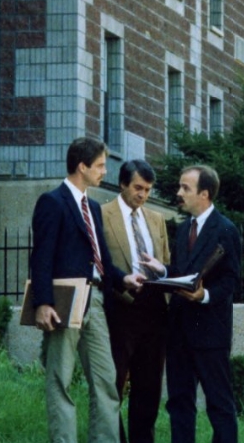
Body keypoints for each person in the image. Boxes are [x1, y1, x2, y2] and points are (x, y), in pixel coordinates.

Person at [30, 137, 145, 443]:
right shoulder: (52, 202)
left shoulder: (92, 207)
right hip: (64, 301)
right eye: (99, 166)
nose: (104, 172)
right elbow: (41, 257)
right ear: (82, 167)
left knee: (107, 381)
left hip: (95, 301)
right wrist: (42, 303)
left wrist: (124, 280)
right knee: (61, 379)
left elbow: (102, 260)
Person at [144, 164, 241, 443]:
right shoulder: (184, 227)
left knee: (219, 405)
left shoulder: (226, 229)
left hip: (210, 333)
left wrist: (204, 296)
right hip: (179, 332)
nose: (179, 193)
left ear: (205, 194)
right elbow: (181, 272)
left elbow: (231, 280)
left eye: (185, 188)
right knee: (179, 403)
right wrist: (162, 271)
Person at [100, 159, 170, 443]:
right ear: (122, 184)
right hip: (120, 308)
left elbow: (166, 262)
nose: (143, 195)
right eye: (138, 188)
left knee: (149, 385)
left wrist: (162, 271)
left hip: (153, 309)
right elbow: (100, 263)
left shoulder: (156, 219)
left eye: (148, 190)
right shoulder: (102, 215)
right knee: (113, 382)